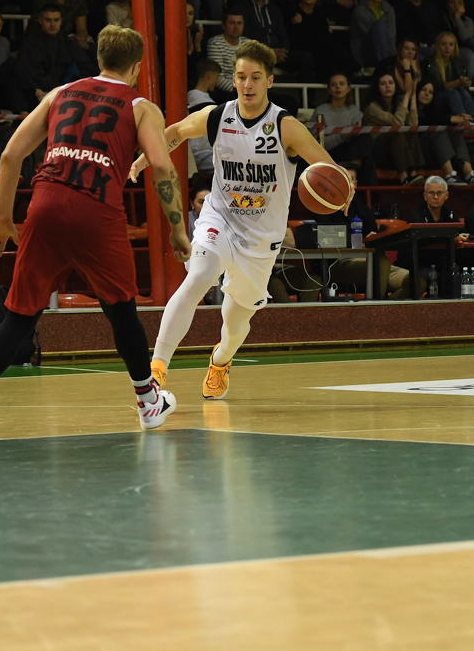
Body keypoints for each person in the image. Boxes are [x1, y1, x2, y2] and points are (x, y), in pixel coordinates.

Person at [0, 26, 189, 440]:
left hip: (47, 205)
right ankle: (148, 402)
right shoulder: (141, 106)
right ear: (137, 67)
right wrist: (178, 229)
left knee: (19, 317)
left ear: (99, 59)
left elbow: (10, 154)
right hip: (97, 210)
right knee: (121, 311)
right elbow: (161, 167)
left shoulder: (59, 93)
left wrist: (2, 218)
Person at [132, 39, 338, 402]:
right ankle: (157, 367)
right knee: (198, 277)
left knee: (236, 321)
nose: (247, 84)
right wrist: (147, 155)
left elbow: (326, 169)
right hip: (220, 218)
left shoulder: (286, 127)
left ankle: (221, 360)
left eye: (255, 77)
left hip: (260, 237)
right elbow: (176, 132)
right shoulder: (218, 116)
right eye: (241, 76)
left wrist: (341, 189)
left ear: (269, 80)